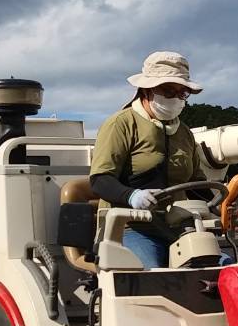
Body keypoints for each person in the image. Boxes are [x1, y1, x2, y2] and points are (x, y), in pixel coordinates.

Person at [89, 51, 211, 269]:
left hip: (181, 227)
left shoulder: (184, 133)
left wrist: (224, 200)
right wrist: (131, 195)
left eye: (182, 93)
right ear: (146, 89)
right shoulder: (121, 124)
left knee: (220, 267)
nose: (175, 98)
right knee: (154, 275)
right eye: (168, 90)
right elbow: (100, 180)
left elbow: (196, 185)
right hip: (129, 228)